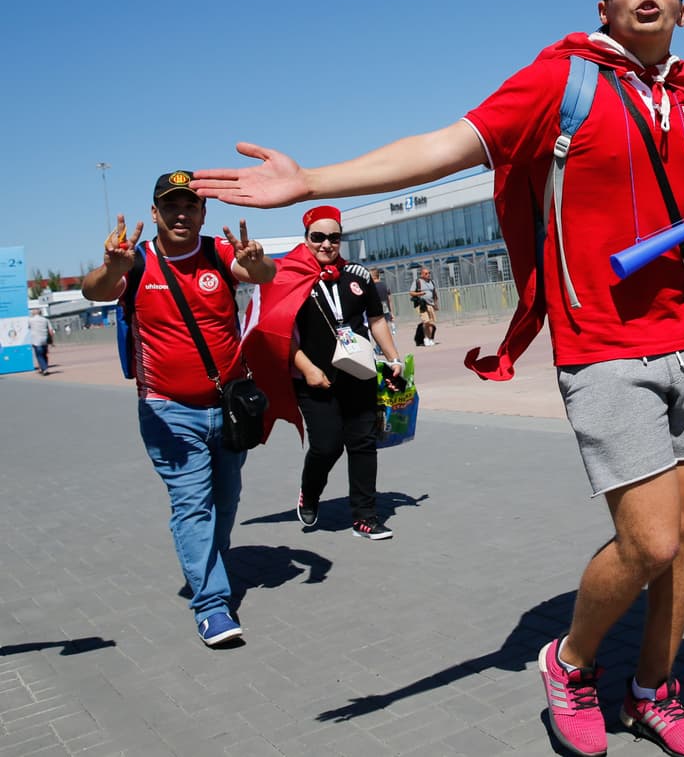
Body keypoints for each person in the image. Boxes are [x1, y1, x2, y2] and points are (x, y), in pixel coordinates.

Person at [194, 0, 684, 757]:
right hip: (603, 348)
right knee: (652, 538)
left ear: (682, 3)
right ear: (604, 3)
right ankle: (568, 662)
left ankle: (649, 689)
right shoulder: (562, 82)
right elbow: (442, 146)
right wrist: (314, 181)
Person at [81, 171, 275, 647]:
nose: (181, 214)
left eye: (190, 206)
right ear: (155, 213)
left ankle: (209, 561)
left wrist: (259, 265)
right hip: (168, 412)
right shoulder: (136, 262)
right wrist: (112, 267)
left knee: (225, 501)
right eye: (171, 206)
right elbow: (94, 290)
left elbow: (258, 276)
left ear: (204, 213)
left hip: (228, 406)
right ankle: (211, 605)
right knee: (192, 505)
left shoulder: (218, 252)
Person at [243, 206, 405, 540]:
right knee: (328, 445)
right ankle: (310, 491)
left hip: (359, 373)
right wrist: (307, 367)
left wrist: (393, 357)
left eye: (334, 237)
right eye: (318, 237)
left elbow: (376, 320)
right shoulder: (287, 276)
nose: (327, 244)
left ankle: (365, 516)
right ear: (306, 239)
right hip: (313, 379)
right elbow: (278, 330)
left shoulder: (357, 275)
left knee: (362, 444)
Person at [409, 267, 438, 346]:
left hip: (431, 304)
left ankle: (430, 338)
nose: (428, 275)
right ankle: (425, 338)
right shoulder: (417, 282)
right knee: (426, 321)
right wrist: (419, 294)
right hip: (422, 305)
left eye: (429, 273)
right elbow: (411, 293)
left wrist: (436, 304)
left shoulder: (432, 282)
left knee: (431, 323)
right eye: (426, 273)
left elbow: (434, 293)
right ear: (421, 274)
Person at [370, 267, 396, 341]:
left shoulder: (372, 287)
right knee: (385, 328)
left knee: (379, 330)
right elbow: (389, 300)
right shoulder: (384, 285)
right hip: (386, 310)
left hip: (377, 311)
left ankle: (381, 347)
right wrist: (391, 312)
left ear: (372, 276)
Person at [28, 307, 52, 375]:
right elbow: (50, 331)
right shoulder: (45, 320)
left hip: (36, 340)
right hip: (44, 339)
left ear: (33, 313)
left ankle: (44, 369)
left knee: (39, 355)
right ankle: (44, 367)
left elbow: (28, 327)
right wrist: (52, 341)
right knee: (44, 354)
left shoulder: (30, 320)